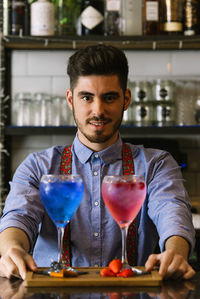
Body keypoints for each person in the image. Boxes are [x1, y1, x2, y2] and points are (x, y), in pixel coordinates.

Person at [0, 45, 196, 281]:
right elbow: (18, 217)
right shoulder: (38, 166)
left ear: (126, 99)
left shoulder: (157, 165)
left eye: (109, 97)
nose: (98, 110)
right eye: (87, 97)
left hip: (131, 293)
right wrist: (12, 249)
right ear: (71, 100)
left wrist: (175, 252)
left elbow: (173, 214)